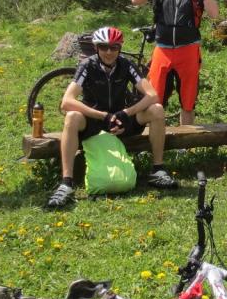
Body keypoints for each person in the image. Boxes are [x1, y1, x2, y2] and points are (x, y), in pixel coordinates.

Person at [47, 25, 178, 208]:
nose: (109, 52)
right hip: (95, 120)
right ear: (96, 48)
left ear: (120, 48)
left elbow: (152, 95)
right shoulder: (88, 65)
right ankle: (66, 183)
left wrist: (126, 113)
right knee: (72, 117)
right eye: (103, 47)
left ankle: (158, 170)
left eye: (114, 47)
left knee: (156, 109)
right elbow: (66, 101)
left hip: (121, 118)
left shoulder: (126, 64)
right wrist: (103, 116)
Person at [130, 0, 219, 126]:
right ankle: (156, 137)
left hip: (188, 50)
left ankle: (184, 146)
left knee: (187, 101)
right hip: (162, 49)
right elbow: (136, 0)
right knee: (155, 98)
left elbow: (214, 13)